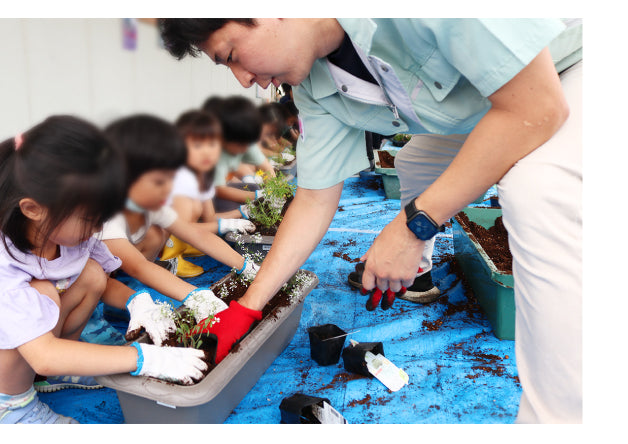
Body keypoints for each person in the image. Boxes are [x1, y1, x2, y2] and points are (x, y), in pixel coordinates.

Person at [158, 18, 583, 423]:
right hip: (482, 109)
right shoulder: (314, 85)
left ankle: (562, 420)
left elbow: (538, 106)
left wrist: (413, 226)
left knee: (538, 190)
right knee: (417, 159)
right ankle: (418, 274)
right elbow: (313, 199)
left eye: (231, 54)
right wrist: (248, 307)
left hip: (566, 70)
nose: (243, 79)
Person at [0, 115, 208, 424]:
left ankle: (60, 371)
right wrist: (145, 358)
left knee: (93, 273)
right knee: (43, 293)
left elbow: (102, 282)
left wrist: (135, 302)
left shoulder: (65, 234)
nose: (97, 227)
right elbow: (43, 355)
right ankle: (14, 410)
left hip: (33, 359)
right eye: (89, 219)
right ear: (33, 209)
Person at [99, 113, 259, 294]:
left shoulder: (152, 206)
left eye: (171, 179)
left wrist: (246, 266)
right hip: (91, 282)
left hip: (127, 264)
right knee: (96, 277)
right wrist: (195, 297)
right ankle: (122, 300)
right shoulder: (110, 221)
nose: (169, 189)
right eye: (159, 182)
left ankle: (132, 287)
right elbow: (139, 267)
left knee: (154, 234)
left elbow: (197, 235)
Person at [172, 109, 257, 234]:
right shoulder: (179, 181)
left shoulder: (203, 176)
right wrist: (224, 225)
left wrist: (242, 212)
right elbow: (180, 231)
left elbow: (210, 218)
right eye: (197, 145)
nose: (207, 152)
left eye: (212, 144)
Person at [202, 95, 276, 213]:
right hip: (210, 194)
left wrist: (272, 191)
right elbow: (219, 189)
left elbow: (266, 167)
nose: (245, 150)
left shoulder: (245, 140)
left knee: (253, 187)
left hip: (223, 185)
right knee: (228, 205)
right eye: (241, 145)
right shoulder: (216, 154)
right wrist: (256, 197)